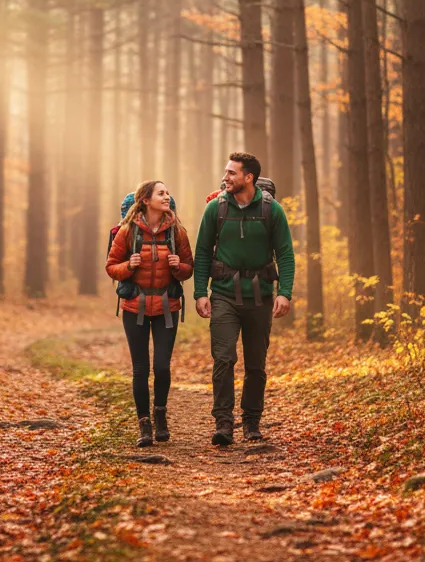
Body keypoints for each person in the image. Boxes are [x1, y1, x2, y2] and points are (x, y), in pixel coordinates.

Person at [193, 152, 294, 445]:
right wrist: (201, 292)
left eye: (232, 173)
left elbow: (286, 254)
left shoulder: (272, 210)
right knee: (223, 358)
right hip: (224, 293)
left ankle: (251, 422)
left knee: (256, 365)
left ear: (248, 178)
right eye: (226, 172)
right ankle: (224, 423)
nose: (226, 177)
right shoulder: (215, 208)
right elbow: (202, 252)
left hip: (260, 296)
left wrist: (285, 293)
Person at [106, 180, 194, 448]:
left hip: (167, 305)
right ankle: (144, 424)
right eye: (161, 193)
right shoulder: (127, 231)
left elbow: (189, 268)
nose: (167, 197)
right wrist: (128, 267)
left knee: (162, 367)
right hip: (135, 307)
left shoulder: (176, 230)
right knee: (141, 369)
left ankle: (161, 415)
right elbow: (111, 267)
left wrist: (179, 267)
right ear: (145, 199)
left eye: (167, 192)